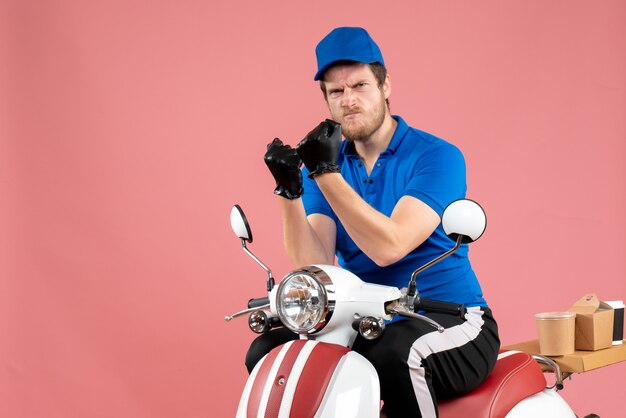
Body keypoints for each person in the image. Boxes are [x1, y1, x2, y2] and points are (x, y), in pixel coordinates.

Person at [250, 26, 500, 418]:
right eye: (337, 92)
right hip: (370, 318)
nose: (349, 100)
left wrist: (325, 174)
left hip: (451, 319)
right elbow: (316, 266)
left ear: (385, 87)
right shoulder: (328, 165)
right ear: (327, 101)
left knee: (394, 354)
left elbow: (390, 246)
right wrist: (290, 193)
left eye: (360, 86)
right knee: (269, 352)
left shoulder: (436, 157)